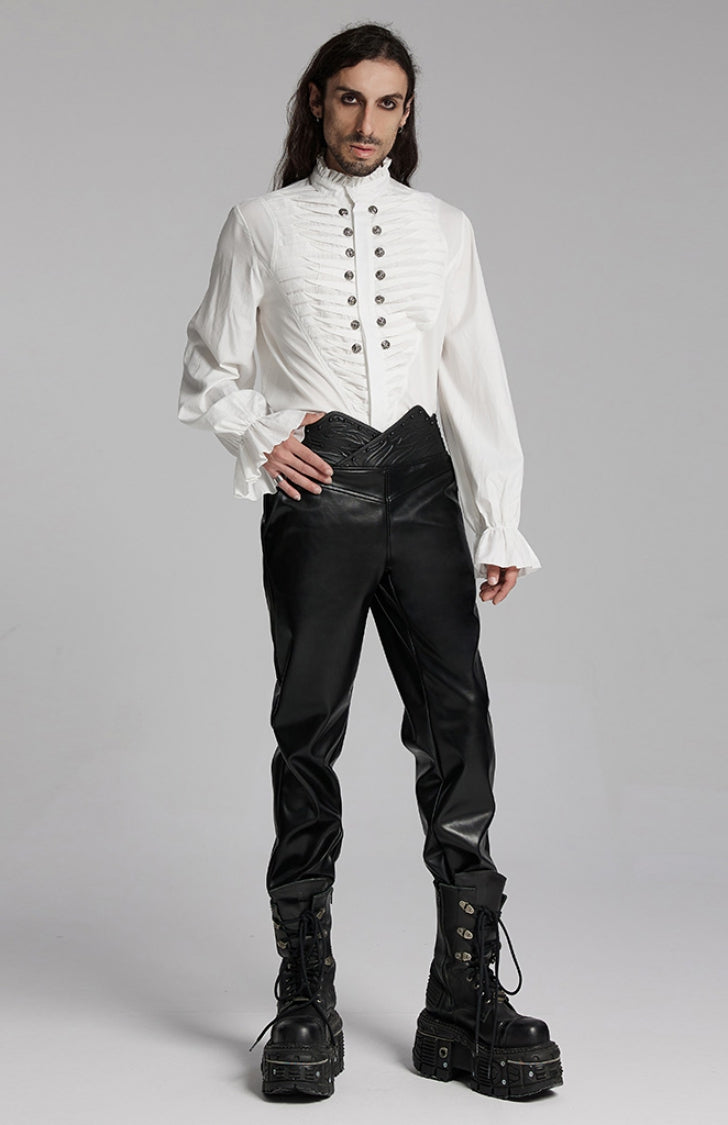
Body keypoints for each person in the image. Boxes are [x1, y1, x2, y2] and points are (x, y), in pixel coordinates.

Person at [177, 21, 562, 1102]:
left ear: (406, 114)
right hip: (322, 490)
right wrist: (262, 436)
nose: (368, 121)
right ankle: (307, 995)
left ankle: (463, 998)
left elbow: (475, 373)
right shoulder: (260, 224)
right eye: (350, 98)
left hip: (424, 485)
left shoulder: (444, 228)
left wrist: (501, 518)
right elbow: (208, 367)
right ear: (317, 101)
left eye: (388, 103)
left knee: (459, 720)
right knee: (308, 728)